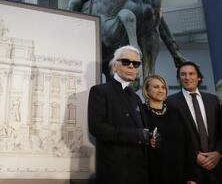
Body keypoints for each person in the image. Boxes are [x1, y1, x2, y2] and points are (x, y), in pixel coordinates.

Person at [88, 45, 154, 184]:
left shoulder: (136, 98)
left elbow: (142, 131)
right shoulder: (100, 91)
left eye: (136, 64)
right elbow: (97, 128)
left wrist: (150, 138)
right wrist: (137, 135)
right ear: (115, 66)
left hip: (140, 172)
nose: (131, 66)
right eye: (126, 62)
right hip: (115, 172)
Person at [167, 61, 222, 184]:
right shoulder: (170, 103)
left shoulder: (213, 100)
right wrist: (194, 155)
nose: (187, 77)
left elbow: (220, 130)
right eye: (183, 74)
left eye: (191, 74)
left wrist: (218, 153)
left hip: (217, 167)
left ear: (199, 77)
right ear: (179, 78)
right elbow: (172, 137)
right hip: (190, 170)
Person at [142, 75, 197, 184]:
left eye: (163, 87)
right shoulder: (141, 112)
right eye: (156, 87)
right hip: (151, 173)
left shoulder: (176, 112)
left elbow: (189, 144)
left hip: (178, 172)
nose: (161, 90)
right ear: (147, 90)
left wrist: (191, 176)